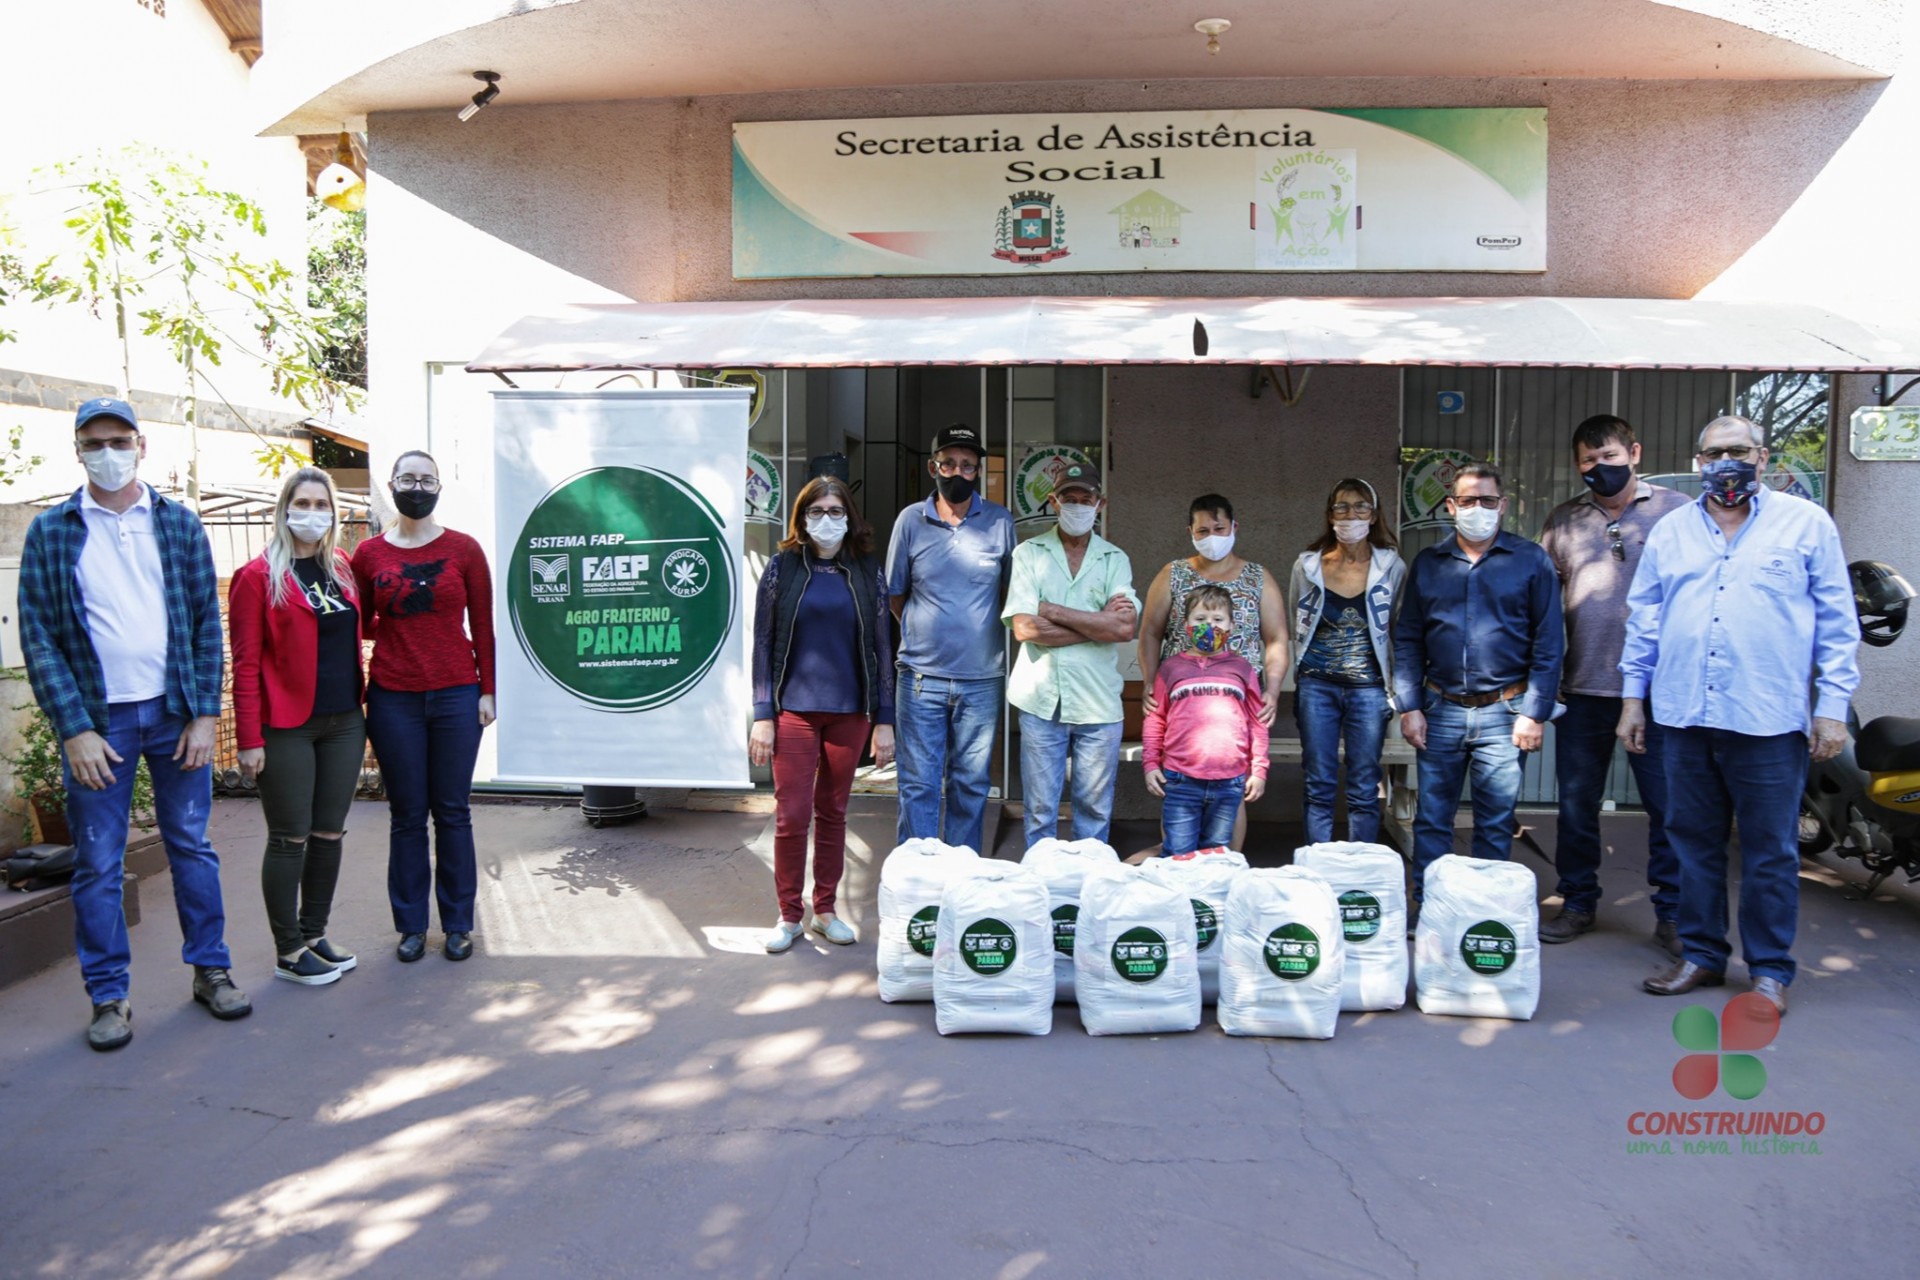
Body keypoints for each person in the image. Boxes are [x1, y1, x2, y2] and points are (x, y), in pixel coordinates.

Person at [18, 397, 250, 1051]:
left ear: (142, 445)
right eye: (94, 443)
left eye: (119, 440)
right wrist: (74, 727)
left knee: (192, 846)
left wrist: (206, 713)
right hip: (101, 721)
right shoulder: (53, 530)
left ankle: (211, 970)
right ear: (78, 451)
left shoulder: (176, 524)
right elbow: (39, 636)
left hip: (175, 713)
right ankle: (109, 997)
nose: (108, 453)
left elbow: (208, 622)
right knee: (97, 861)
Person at [1623, 415, 1859, 1015]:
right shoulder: (1673, 531)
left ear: (1763, 457)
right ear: (1697, 461)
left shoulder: (1806, 525)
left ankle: (1769, 970)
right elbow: (1644, 618)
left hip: (1767, 721)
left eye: (1737, 450)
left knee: (1770, 850)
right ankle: (1702, 955)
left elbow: (1836, 623)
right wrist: (1632, 699)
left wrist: (1831, 709)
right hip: (1683, 715)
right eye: (1713, 453)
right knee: (1692, 843)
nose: (1725, 462)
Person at [1537, 416, 1690, 951]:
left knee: (1668, 807)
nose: (1598, 468)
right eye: (1587, 460)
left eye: (1608, 456)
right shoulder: (1564, 521)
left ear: (1634, 451)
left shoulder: (1679, 513)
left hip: (1659, 691)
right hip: (1583, 688)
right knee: (1576, 806)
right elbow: (1542, 607)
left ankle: (1672, 913)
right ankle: (1578, 902)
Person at [1393, 462, 1563, 916]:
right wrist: (1409, 706)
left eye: (1488, 501)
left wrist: (1535, 712)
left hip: (1505, 713)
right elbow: (1407, 638)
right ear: (1451, 506)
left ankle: (1483, 914)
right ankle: (1431, 910)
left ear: (1503, 506)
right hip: (1439, 710)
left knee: (1494, 822)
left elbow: (1550, 642)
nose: (1478, 509)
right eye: (1467, 501)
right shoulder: (1428, 564)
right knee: (1431, 821)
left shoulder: (1531, 561)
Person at [352, 450, 496, 964]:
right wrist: (401, 631)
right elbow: (360, 621)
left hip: (458, 693)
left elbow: (482, 622)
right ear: (391, 484)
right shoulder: (367, 555)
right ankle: (411, 926)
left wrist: (488, 690)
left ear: (440, 486)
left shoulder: (464, 550)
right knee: (407, 815)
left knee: (453, 812)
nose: (417, 486)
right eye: (408, 478)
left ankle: (458, 924)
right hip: (394, 697)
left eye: (426, 478)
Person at [230, 467, 366, 987]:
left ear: (333, 512)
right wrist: (248, 739)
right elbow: (244, 663)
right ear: (284, 508)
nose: (311, 513)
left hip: (344, 721)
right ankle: (288, 950)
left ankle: (314, 934)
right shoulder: (257, 577)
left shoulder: (344, 571)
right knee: (290, 837)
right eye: (302, 502)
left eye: (320, 504)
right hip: (286, 724)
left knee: (329, 832)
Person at [750, 477, 896, 953]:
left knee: (833, 813)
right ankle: (789, 915)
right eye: (817, 511)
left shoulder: (866, 571)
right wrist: (762, 712)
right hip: (793, 710)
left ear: (850, 517)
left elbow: (881, 646)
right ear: (802, 517)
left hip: (850, 712)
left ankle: (825, 910)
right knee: (792, 816)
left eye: (836, 511)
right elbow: (764, 642)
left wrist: (885, 718)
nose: (827, 520)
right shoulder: (783, 569)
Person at [886, 423, 1016, 854]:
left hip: (982, 678)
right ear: (932, 467)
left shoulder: (999, 522)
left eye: (967, 465)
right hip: (921, 677)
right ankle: (919, 876)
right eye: (949, 463)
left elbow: (1010, 594)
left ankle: (963, 874)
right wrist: (931, 629)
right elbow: (896, 594)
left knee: (970, 782)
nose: (957, 472)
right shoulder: (910, 520)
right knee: (919, 781)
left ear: (978, 471)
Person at [1138, 494, 1289, 847]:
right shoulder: (1172, 574)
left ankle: (1225, 872)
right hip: (1181, 702)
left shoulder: (1257, 578)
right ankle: (1177, 864)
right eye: (1203, 530)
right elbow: (1149, 632)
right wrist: (1149, 682)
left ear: (1234, 527)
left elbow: (1277, 638)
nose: (1212, 536)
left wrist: (1273, 689)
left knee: (1231, 788)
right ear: (1190, 531)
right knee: (1179, 791)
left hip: (1237, 703)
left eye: (1219, 528)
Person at [1002, 464, 1139, 847]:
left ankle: (1087, 888)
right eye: (1069, 499)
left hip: (1097, 702)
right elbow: (1024, 628)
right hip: (1041, 702)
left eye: (1086, 500)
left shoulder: (1115, 559)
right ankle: (1042, 889)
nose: (1078, 506)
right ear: (1054, 501)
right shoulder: (1029, 553)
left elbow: (1123, 629)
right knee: (1041, 810)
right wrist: (1096, 624)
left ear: (1101, 504)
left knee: (1094, 811)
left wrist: (1053, 610)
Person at [1287, 478, 1406, 845]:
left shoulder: (1391, 567)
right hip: (1317, 686)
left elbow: (1399, 627)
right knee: (1318, 780)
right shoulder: (1307, 566)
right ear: (1329, 514)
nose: (1350, 514)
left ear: (1374, 515)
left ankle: (1360, 865)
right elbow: (1297, 620)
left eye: (1360, 507)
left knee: (1364, 783)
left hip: (1369, 691)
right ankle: (1317, 863)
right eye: (1341, 506)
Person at [1141, 585, 1269, 855]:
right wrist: (1151, 763)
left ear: (1232, 625)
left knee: (1216, 855)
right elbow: (1155, 717)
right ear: (1186, 624)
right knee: (1178, 853)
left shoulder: (1242, 669)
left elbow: (1257, 722)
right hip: (1181, 779)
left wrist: (1259, 769)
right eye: (1200, 619)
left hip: (1230, 780)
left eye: (1218, 620)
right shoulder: (1171, 669)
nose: (1209, 626)